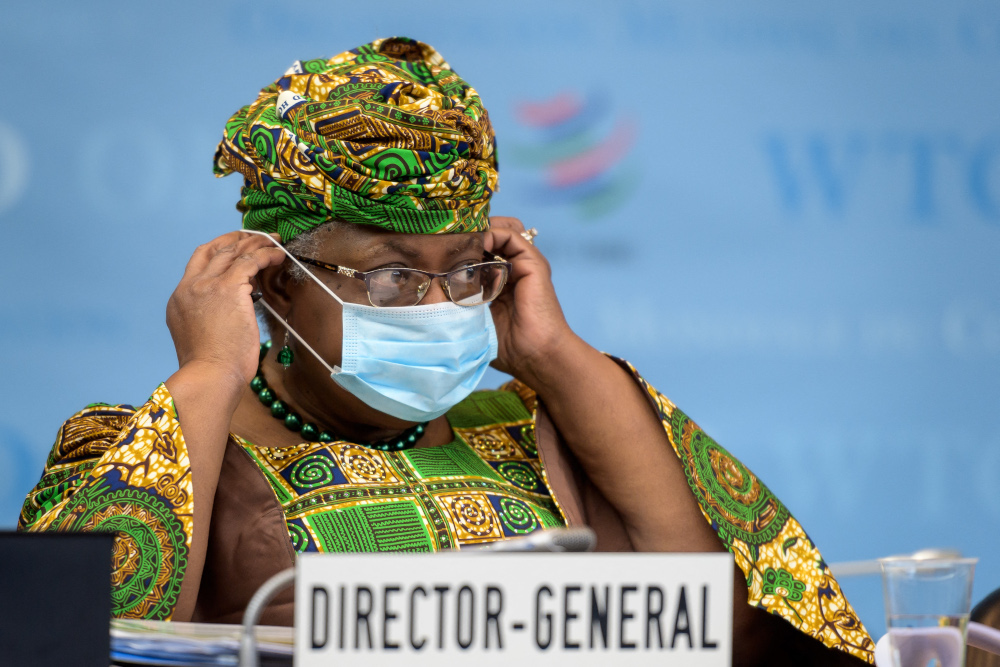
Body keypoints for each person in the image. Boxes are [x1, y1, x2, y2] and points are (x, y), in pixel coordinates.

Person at [18, 37, 873, 665]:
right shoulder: (151, 446)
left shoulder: (532, 428)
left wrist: (555, 355)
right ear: (275, 284)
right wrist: (207, 374)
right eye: (390, 276)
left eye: (465, 271)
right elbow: (74, 641)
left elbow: (731, 626)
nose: (435, 306)